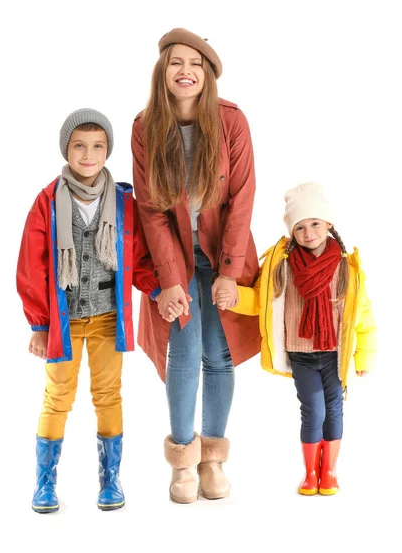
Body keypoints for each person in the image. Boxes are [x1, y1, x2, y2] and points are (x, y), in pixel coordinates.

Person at [131, 28, 261, 503]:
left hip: (223, 251)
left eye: (195, 64)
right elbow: (149, 208)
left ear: (206, 74)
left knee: (218, 353)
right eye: (175, 63)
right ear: (162, 73)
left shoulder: (231, 121)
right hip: (175, 256)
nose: (185, 71)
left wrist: (229, 271)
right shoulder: (145, 127)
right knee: (183, 354)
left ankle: (213, 459)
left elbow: (242, 197)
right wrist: (169, 281)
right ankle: (182, 463)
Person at [17, 108, 159, 513]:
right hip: (64, 320)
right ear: (67, 148)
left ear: (107, 151)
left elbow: (138, 256)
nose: (88, 154)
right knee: (58, 395)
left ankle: (110, 480)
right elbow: (32, 264)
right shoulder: (48, 200)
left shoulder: (123, 200)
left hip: (108, 318)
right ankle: (45, 484)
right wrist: (39, 324)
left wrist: (157, 290)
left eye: (97, 146)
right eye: (79, 145)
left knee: (108, 394)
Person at [218, 182, 377, 495]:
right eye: (300, 227)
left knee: (334, 409)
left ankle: (328, 472)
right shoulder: (283, 266)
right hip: (301, 353)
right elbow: (262, 302)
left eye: (315, 223)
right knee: (313, 410)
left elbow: (364, 314)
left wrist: (365, 356)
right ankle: (309, 473)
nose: (309, 232)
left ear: (328, 224)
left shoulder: (346, 267)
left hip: (334, 353)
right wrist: (235, 296)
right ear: (292, 232)